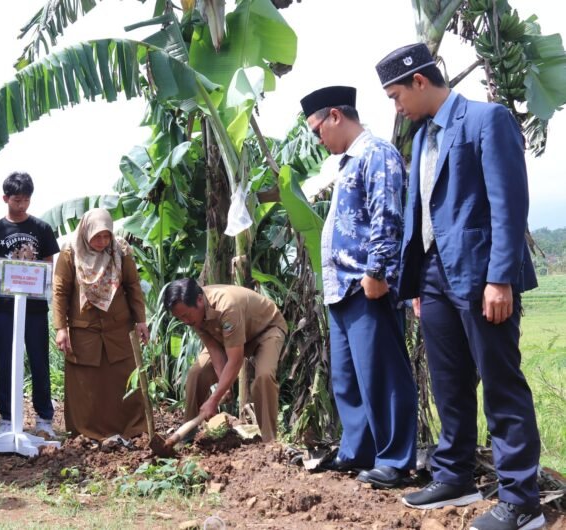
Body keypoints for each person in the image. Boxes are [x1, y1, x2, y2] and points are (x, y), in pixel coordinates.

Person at [376, 43, 543, 530]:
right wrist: (417, 286)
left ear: (420, 82)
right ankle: (454, 474)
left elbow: (509, 205)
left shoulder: (485, 120)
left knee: (500, 381)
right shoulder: (424, 135)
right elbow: (420, 213)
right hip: (433, 277)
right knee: (449, 384)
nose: (396, 106)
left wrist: (500, 278)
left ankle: (522, 501)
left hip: (480, 274)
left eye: (395, 95)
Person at [299, 86, 417, 488]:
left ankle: (395, 459)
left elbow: (387, 217)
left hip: (367, 284)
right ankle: (358, 451)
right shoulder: (348, 164)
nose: (319, 140)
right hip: (341, 288)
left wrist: (377, 272)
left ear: (336, 115)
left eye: (318, 130)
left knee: (382, 374)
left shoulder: (376, 154)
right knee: (349, 379)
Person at [52, 208, 149, 441]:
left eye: (106, 236)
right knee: (86, 385)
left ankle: (134, 429)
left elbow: (133, 287)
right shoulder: (70, 251)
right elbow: (60, 291)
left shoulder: (121, 250)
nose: (102, 242)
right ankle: (87, 432)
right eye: (97, 236)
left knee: (124, 378)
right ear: (86, 231)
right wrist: (61, 328)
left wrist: (141, 321)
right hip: (84, 332)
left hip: (118, 330)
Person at [163, 278, 286, 442]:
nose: (185, 321)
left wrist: (213, 400)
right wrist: (224, 386)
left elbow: (235, 361)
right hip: (230, 338)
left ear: (199, 300)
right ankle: (186, 438)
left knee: (264, 376)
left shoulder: (227, 307)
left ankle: (269, 442)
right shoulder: (194, 314)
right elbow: (213, 348)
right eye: (180, 318)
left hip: (265, 330)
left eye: (186, 315)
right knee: (197, 374)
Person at [0, 172, 60, 437]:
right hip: (4, 309)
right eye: (17, 200)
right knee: (6, 360)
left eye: (26, 200)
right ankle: (6, 418)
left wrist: (36, 279)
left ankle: (44, 418)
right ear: (5, 198)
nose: (22, 205)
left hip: (35, 309)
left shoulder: (41, 228)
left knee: (39, 361)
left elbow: (49, 262)